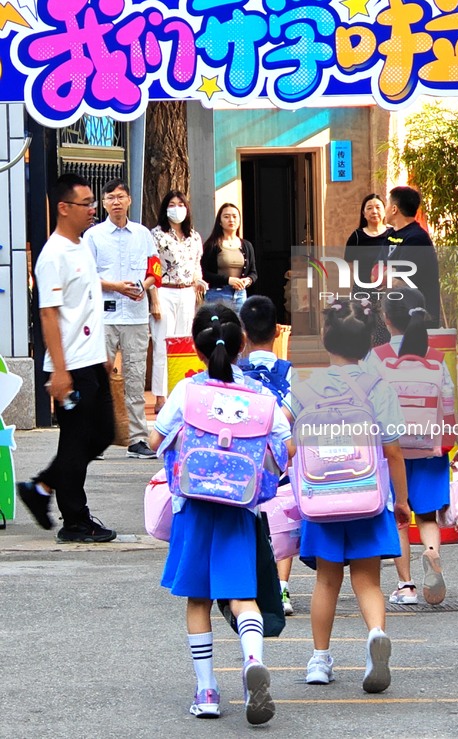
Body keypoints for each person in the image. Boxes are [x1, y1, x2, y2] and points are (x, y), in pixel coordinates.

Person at [148, 303, 293, 724]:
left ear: (197, 349)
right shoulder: (260, 395)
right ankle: (251, 663)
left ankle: (207, 691)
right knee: (242, 597)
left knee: (198, 599)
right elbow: (285, 447)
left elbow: (158, 439)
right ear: (241, 343)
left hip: (194, 508)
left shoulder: (188, 391)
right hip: (241, 511)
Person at [289, 300, 411, 692]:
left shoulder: (305, 388)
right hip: (367, 497)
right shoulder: (379, 388)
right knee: (367, 580)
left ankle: (319, 660)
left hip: (321, 498)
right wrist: (402, 501)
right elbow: (393, 452)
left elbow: (287, 441)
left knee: (326, 581)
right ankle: (375, 634)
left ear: (326, 340)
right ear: (368, 345)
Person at [17, 173, 116, 543]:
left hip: (92, 359)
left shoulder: (82, 247)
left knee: (104, 434)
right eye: (86, 203)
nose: (92, 209)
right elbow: (49, 315)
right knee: (75, 442)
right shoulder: (53, 255)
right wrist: (59, 371)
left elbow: (88, 308)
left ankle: (41, 486)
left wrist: (104, 353)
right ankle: (75, 519)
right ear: (63, 208)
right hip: (70, 365)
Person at [366, 288, 458, 606]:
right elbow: (450, 406)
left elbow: (367, 403)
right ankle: (432, 553)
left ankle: (406, 586)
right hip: (431, 447)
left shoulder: (378, 357)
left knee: (399, 517)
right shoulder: (436, 359)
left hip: (390, 449)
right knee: (427, 517)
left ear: (386, 319)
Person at [85, 179, 158, 458]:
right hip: (103, 315)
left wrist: (145, 286)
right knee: (96, 378)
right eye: (111, 197)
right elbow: (87, 276)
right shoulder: (93, 236)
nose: (116, 202)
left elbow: (156, 270)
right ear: (103, 203)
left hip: (136, 317)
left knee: (136, 378)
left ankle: (137, 439)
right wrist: (116, 287)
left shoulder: (143, 235)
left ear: (129, 201)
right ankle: (94, 437)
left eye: (121, 197)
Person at [239, 294, 294, 615]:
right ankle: (282, 589)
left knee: (249, 524)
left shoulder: (237, 373)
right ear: (277, 331)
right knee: (282, 524)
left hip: (243, 462)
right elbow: (294, 415)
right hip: (280, 462)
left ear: (242, 333)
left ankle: (251, 589)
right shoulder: (289, 373)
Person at [150, 191, 208, 413]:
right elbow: (153, 269)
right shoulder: (156, 235)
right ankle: (160, 396)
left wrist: (198, 281)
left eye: (180, 204)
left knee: (184, 343)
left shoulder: (194, 237)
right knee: (162, 344)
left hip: (187, 293)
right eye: (172, 204)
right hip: (165, 291)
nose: (177, 208)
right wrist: (154, 300)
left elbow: (195, 265)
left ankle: (180, 389)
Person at [381, 186, 441, 327]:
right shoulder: (390, 235)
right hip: (397, 315)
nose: (385, 209)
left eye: (387, 204)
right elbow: (376, 272)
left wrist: (387, 274)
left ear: (394, 209)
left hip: (418, 317)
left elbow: (399, 280)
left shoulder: (417, 238)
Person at [201, 203, 257, 313]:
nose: (231, 220)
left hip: (240, 295)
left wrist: (247, 280)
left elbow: (253, 272)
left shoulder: (247, 245)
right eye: (226, 217)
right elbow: (204, 273)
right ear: (220, 222)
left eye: (235, 216)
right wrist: (228, 280)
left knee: (239, 328)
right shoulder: (212, 245)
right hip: (217, 294)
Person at [344, 194, 394, 287]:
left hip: (389, 290)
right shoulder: (357, 236)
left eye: (378, 207)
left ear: (384, 211)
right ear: (364, 213)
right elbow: (350, 262)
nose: (374, 211)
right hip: (363, 290)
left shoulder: (394, 234)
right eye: (369, 208)